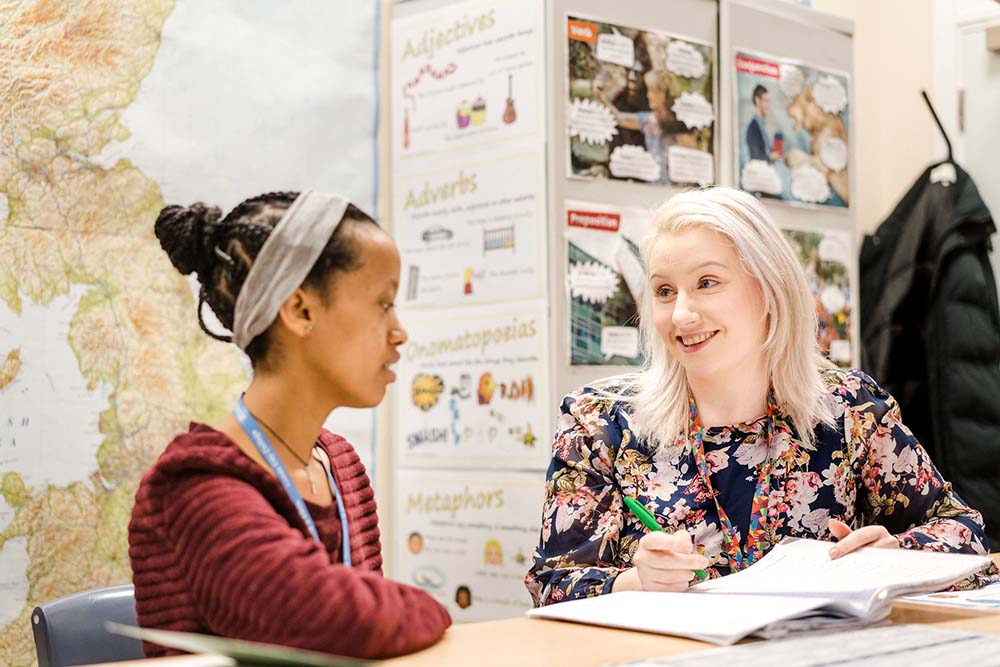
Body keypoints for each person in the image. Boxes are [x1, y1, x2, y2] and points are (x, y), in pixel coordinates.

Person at [525, 187, 993, 605]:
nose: (682, 314)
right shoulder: (600, 422)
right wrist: (635, 582)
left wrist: (895, 554)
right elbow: (551, 584)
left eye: (707, 283)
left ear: (768, 288)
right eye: (664, 291)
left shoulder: (849, 407)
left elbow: (965, 533)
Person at [129, 191, 451, 657]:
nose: (400, 332)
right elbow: (349, 623)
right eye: (384, 304)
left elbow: (370, 627)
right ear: (300, 311)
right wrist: (429, 608)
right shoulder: (195, 486)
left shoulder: (340, 465)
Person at [746, 84, 779, 163]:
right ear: (757, 100)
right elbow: (755, 158)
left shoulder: (762, 125)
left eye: (768, 101)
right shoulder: (753, 127)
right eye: (765, 101)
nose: (768, 105)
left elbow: (764, 150)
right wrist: (770, 157)